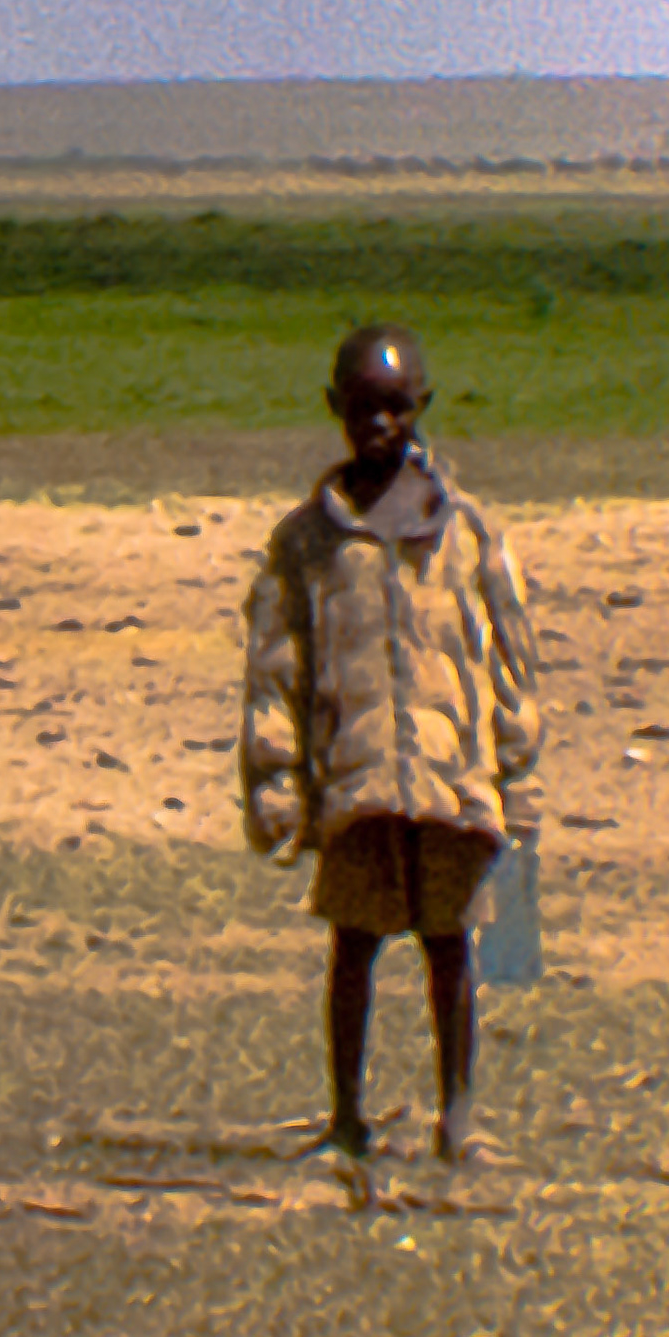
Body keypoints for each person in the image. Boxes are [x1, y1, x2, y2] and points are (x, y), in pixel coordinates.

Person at [240, 325, 543, 1163]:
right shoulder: (306, 542)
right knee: (354, 948)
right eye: (363, 407)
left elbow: (509, 656)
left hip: (451, 779)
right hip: (357, 777)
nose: (379, 424)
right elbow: (276, 668)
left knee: (451, 947)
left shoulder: (468, 532)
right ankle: (346, 1117)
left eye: (396, 406)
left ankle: (459, 1118)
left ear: (423, 409)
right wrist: (276, 783)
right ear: (335, 407)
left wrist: (519, 772)